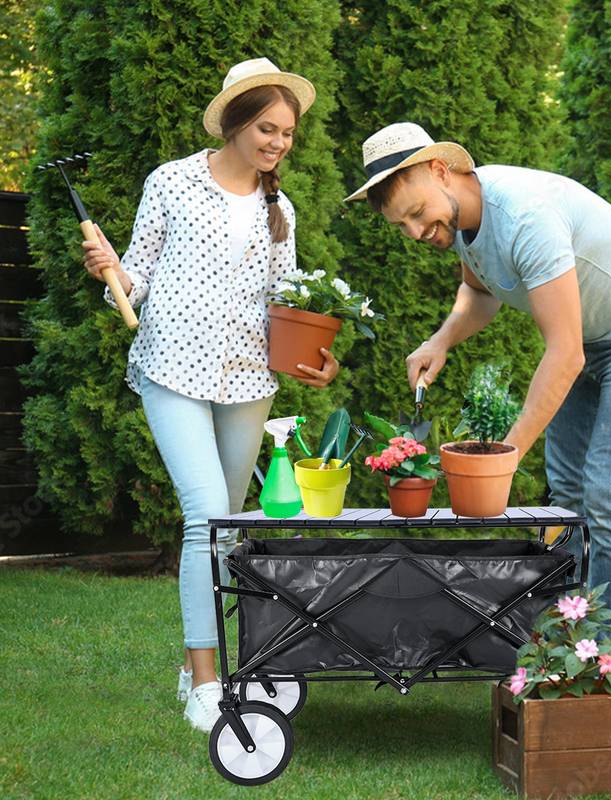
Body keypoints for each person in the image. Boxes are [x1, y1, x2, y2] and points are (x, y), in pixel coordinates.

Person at [82, 58, 339, 732]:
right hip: (171, 367)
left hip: (249, 378)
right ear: (235, 123)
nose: (279, 142)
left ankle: (208, 658)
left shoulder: (278, 207)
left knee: (229, 530)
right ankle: (205, 682)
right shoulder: (170, 182)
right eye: (267, 128)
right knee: (204, 517)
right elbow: (132, 276)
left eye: (287, 132)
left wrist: (317, 357)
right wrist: (109, 272)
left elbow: (290, 301)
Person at [346, 122, 611, 621]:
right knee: (566, 493)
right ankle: (573, 632)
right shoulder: (464, 223)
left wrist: (505, 456)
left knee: (605, 492)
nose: (416, 233)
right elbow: (480, 294)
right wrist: (440, 341)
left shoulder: (525, 216)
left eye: (417, 214)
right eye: (402, 226)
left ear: (441, 171)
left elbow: (565, 353)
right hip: (591, 339)